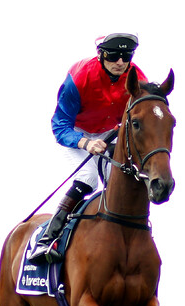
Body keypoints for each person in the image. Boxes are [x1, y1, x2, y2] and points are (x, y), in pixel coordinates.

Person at [29, 33, 148, 264]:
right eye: (114, 56)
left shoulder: (136, 77)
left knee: (122, 180)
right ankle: (48, 238)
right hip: (76, 132)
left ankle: (127, 239)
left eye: (126, 56)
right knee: (88, 177)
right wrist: (85, 143)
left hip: (108, 133)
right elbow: (59, 125)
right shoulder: (80, 76)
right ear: (101, 54)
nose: (120, 62)